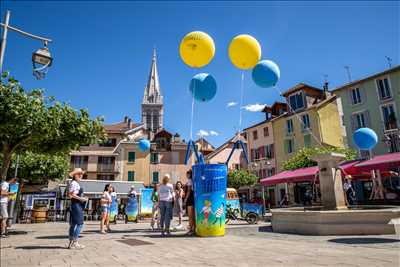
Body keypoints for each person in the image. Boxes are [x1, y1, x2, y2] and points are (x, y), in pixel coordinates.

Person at [67, 168, 88, 249]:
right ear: (75, 175)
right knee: (80, 223)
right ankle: (75, 242)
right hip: (76, 205)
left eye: (81, 174)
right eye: (79, 174)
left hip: (75, 204)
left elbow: (72, 195)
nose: (81, 175)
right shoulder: (74, 183)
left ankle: (71, 242)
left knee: (73, 224)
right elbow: (71, 195)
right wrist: (82, 199)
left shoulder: (74, 183)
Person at [184, 170, 195, 235]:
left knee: (190, 216)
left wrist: (185, 199)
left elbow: (188, 191)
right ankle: (193, 229)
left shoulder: (189, 181)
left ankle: (191, 230)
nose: (186, 175)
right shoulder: (194, 181)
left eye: (187, 174)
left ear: (190, 175)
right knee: (193, 215)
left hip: (190, 199)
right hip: (193, 199)